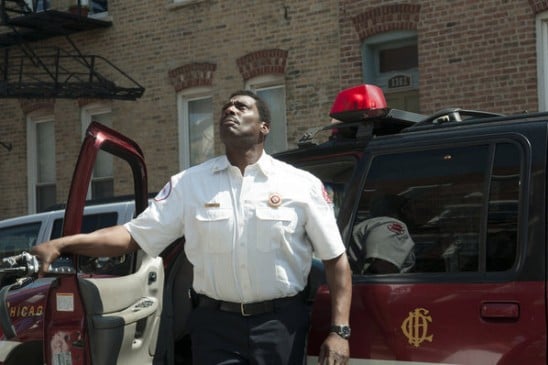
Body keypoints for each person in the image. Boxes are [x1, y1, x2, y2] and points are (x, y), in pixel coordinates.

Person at [31, 90, 352, 365]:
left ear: (264, 127)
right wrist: (64, 243)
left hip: (281, 325)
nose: (230, 109)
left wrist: (339, 331)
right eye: (227, 106)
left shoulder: (300, 185)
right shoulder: (190, 185)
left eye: (242, 107)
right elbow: (132, 236)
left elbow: (336, 260)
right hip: (215, 327)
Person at [348, 193, 415, 274]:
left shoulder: (367, 224)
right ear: (404, 210)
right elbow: (382, 270)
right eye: (412, 210)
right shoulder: (388, 225)